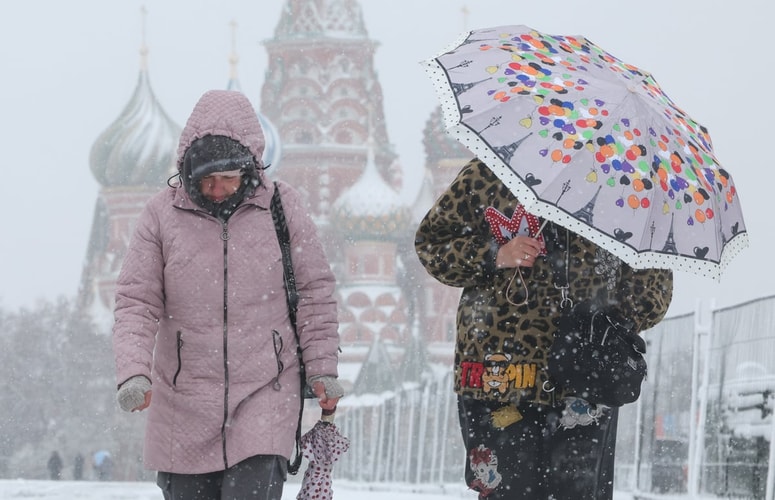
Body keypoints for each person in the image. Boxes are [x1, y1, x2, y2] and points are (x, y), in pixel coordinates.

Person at [113, 89, 343, 500]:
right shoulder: (161, 216)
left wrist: (323, 366)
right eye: (207, 179)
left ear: (250, 168)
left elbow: (314, 293)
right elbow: (136, 301)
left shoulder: (282, 207)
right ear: (188, 172)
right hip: (184, 397)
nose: (217, 189)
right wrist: (133, 372)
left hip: (266, 388)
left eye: (228, 179)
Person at [414, 158, 673, 499]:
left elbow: (654, 278)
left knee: (579, 493)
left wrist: (616, 324)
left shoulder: (625, 187)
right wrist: (496, 253)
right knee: (505, 491)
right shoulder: (494, 169)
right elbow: (432, 243)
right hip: (499, 371)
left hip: (586, 376)